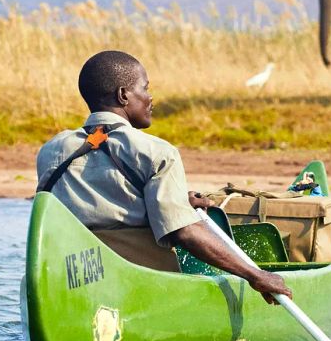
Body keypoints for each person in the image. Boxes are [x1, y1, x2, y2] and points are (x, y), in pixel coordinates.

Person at [36, 49, 291, 304]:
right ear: (123, 95)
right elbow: (185, 232)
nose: (150, 98)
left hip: (73, 283)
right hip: (137, 285)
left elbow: (99, 204)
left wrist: (179, 202)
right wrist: (255, 275)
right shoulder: (158, 152)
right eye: (145, 88)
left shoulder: (51, 150)